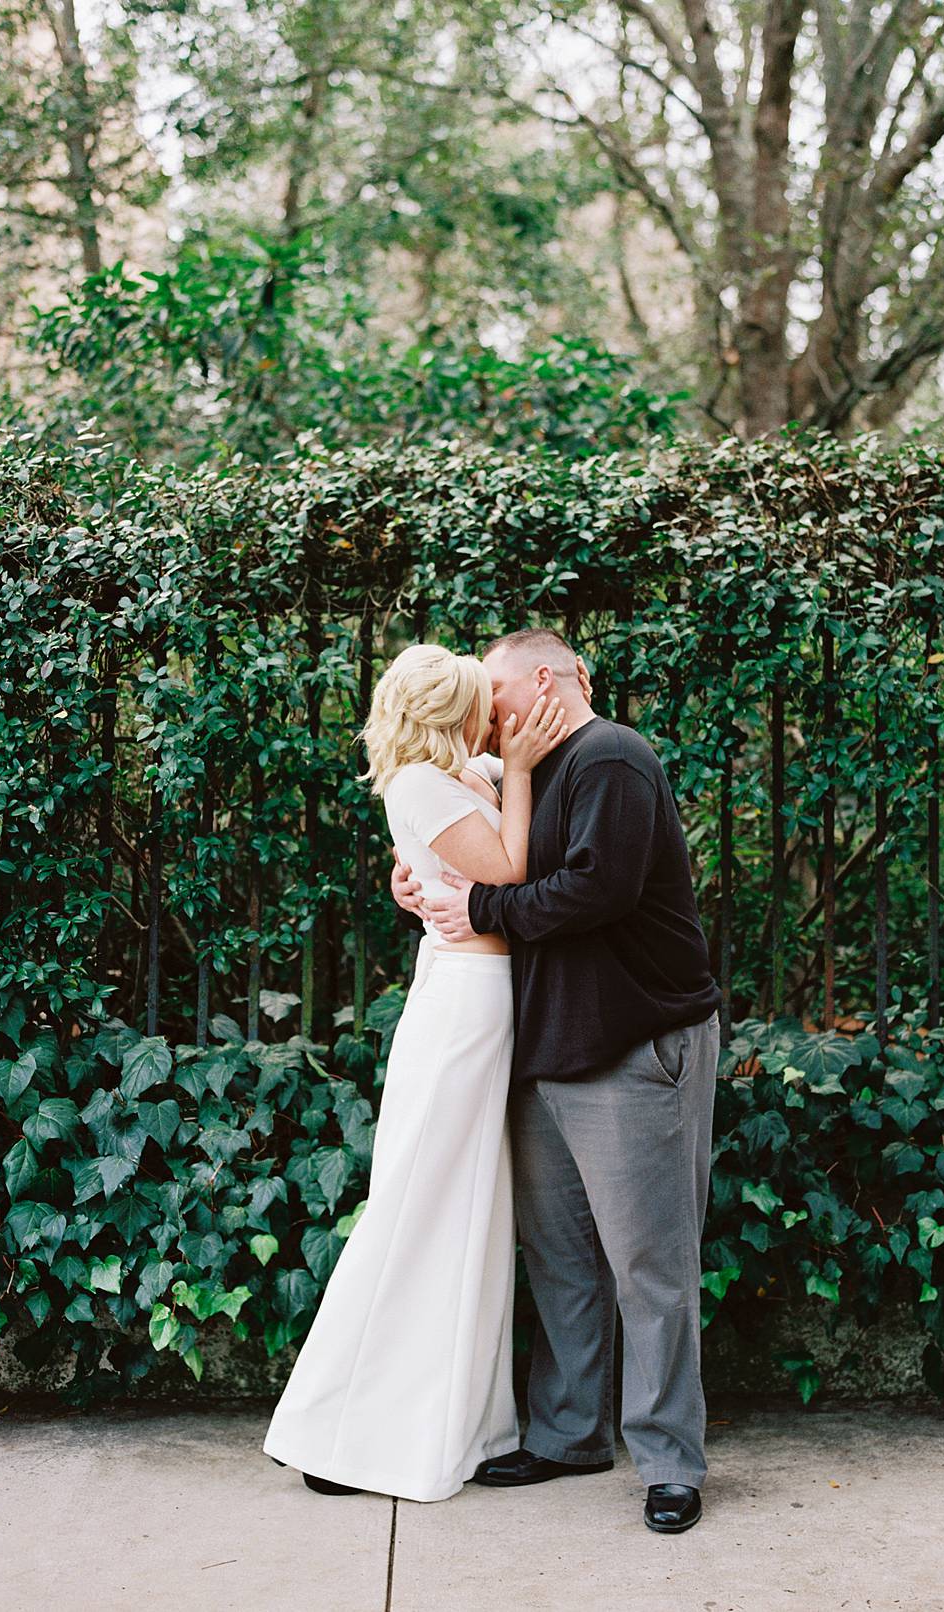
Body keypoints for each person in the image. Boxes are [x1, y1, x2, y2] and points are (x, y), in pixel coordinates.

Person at [394, 628, 722, 1534]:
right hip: (546, 1047)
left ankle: (668, 1462)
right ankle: (571, 1433)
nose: (483, 717)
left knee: (650, 1265)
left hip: (634, 1043)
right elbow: (477, 853)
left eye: (494, 697)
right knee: (565, 1261)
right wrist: (424, 883)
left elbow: (596, 888)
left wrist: (479, 905)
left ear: (544, 681)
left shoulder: (613, 756)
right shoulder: (516, 771)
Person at [263, 642, 568, 1502]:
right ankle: (341, 1426)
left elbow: (465, 866)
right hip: (467, 1002)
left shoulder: (454, 774)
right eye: (481, 701)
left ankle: (440, 1422)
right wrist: (515, 769)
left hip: (481, 989)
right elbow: (509, 869)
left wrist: (488, 789)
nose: (495, 717)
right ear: (453, 711)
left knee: (466, 1206)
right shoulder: (425, 785)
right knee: (423, 1198)